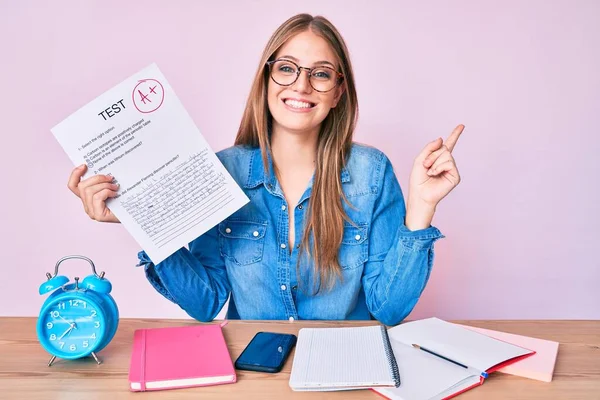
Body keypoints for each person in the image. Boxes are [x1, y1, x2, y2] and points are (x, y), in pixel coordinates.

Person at [67, 13, 463, 326]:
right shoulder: (223, 171)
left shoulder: (371, 173)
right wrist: (141, 219)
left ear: (339, 92)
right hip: (256, 374)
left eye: (321, 73)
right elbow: (205, 301)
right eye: (287, 68)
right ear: (267, 77)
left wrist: (421, 208)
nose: (302, 85)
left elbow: (388, 309)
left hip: (346, 371)